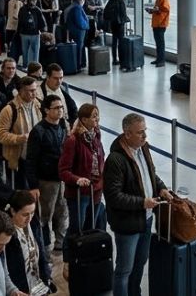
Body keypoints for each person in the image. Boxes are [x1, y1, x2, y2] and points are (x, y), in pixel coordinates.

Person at [104, 113, 172, 296]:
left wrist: (161, 188)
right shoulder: (115, 160)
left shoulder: (144, 148)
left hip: (146, 219)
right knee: (124, 270)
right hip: (128, 224)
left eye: (145, 131)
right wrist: (142, 203)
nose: (145, 136)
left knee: (140, 263)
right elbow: (113, 197)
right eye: (140, 132)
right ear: (127, 134)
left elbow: (150, 175)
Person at [59, 103, 107, 267]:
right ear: (84, 119)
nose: (97, 119)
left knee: (90, 228)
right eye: (94, 116)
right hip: (79, 194)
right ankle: (68, 260)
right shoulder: (73, 140)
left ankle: (86, 257)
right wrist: (77, 179)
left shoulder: (96, 135)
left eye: (97, 115)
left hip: (95, 191)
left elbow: (100, 160)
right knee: (76, 228)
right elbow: (63, 170)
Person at [26, 94, 70, 254]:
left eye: (61, 107)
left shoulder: (63, 126)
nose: (60, 111)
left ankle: (60, 244)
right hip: (45, 181)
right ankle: (44, 249)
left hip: (62, 179)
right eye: (56, 108)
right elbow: (30, 160)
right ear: (46, 110)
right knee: (44, 217)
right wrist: (33, 186)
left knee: (62, 212)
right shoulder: (38, 131)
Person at [4, 189, 54, 296]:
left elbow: (41, 252)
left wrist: (46, 276)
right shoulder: (5, 235)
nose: (29, 218)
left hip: (39, 283)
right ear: (13, 211)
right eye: (25, 214)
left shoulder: (34, 222)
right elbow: (7, 271)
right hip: (21, 289)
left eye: (32, 213)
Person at [0, 75, 41, 189]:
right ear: (20, 91)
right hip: (18, 159)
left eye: (35, 90)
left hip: (36, 158)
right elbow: (0, 135)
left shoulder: (38, 105)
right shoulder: (9, 109)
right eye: (30, 91)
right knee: (22, 195)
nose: (34, 93)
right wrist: (20, 138)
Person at [102, 0, 129, 69]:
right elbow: (123, 14)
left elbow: (105, 11)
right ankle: (122, 60)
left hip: (113, 23)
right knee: (121, 42)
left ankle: (114, 59)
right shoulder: (121, 1)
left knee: (114, 42)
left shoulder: (111, 0)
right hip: (120, 24)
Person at [62, 0, 89, 70]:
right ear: (79, 0)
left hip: (71, 30)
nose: (83, 2)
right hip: (79, 31)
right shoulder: (77, 8)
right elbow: (79, 21)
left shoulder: (69, 7)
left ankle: (77, 64)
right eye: (83, 0)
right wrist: (87, 26)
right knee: (79, 48)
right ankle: (79, 65)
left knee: (76, 48)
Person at [16, 0, 45, 65]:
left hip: (31, 33)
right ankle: (28, 65)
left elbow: (41, 22)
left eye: (35, 0)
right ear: (29, 0)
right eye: (33, 0)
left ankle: (32, 66)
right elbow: (20, 21)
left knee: (31, 51)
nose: (34, 2)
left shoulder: (35, 10)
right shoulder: (25, 9)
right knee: (28, 51)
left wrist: (40, 31)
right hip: (27, 33)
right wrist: (18, 32)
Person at [145, 0, 169, 67]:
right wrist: (151, 11)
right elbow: (157, 9)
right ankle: (158, 59)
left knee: (160, 43)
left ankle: (161, 61)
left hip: (161, 24)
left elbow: (165, 10)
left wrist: (156, 10)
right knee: (158, 43)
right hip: (156, 24)